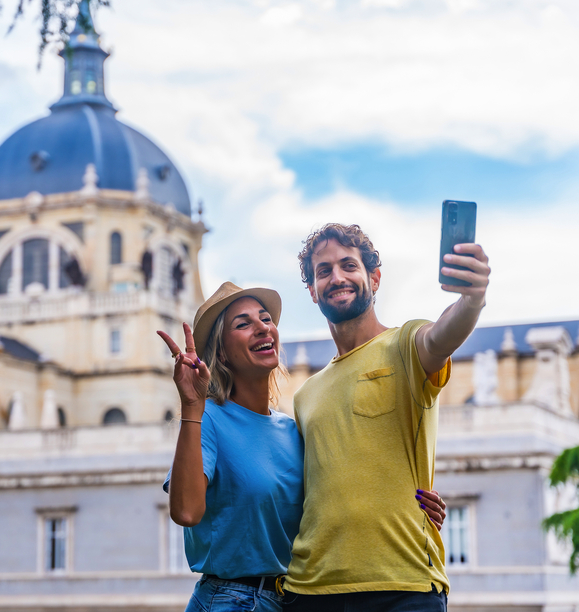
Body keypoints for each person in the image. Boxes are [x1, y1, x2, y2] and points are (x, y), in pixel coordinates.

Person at [158, 282, 447, 612]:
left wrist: (410, 507)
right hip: (230, 600)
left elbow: (335, 500)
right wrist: (192, 409)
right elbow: (185, 511)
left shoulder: (293, 430)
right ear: (221, 352)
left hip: (295, 599)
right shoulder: (209, 419)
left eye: (265, 319)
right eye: (243, 323)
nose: (262, 328)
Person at [281, 223, 491, 612]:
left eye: (349, 265)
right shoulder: (305, 394)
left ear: (373, 278)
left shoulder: (405, 345)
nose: (337, 277)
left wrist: (472, 299)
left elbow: (442, 335)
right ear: (312, 290)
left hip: (403, 584)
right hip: (309, 590)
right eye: (323, 271)